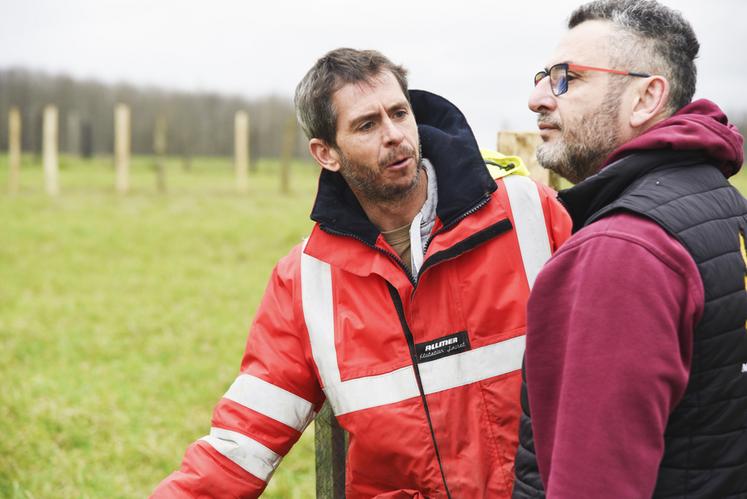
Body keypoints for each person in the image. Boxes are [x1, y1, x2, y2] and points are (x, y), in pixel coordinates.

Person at [152, 48, 570, 498]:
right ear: (326, 153)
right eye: (367, 125)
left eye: (399, 113)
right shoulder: (307, 279)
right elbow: (240, 445)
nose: (394, 136)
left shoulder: (529, 214)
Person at [513, 1, 747, 498]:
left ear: (645, 98)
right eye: (542, 77)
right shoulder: (725, 206)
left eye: (566, 79)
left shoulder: (623, 250)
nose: (537, 99)